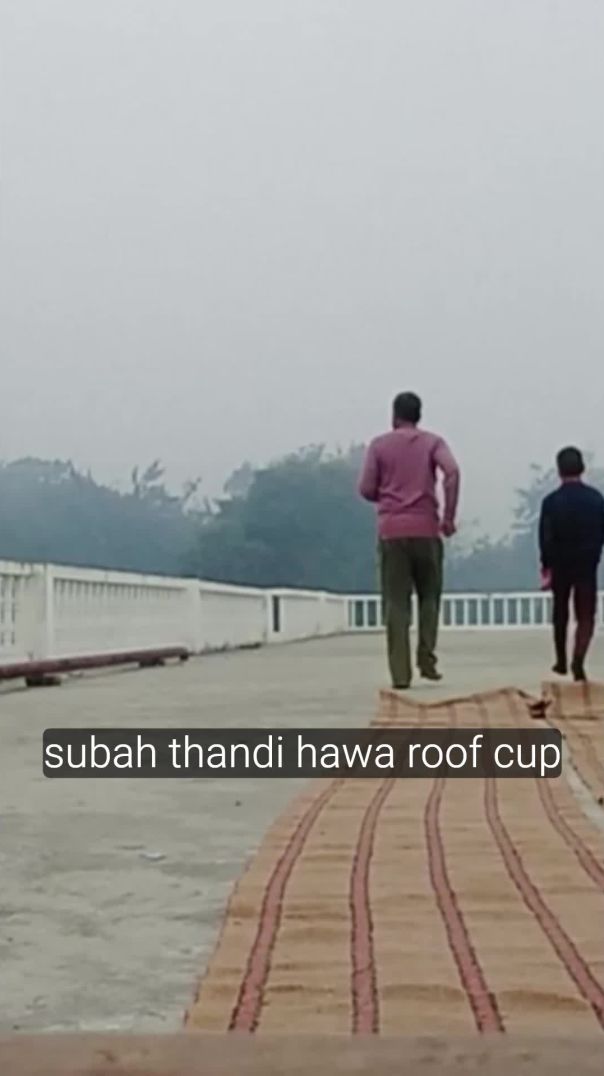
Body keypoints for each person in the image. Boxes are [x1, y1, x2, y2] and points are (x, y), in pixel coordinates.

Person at [358, 391, 460, 689]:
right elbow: (452, 472)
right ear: (419, 415)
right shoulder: (433, 443)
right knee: (429, 598)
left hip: (392, 532)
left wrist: (387, 495)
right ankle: (426, 658)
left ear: (394, 416)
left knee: (396, 604)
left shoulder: (379, 445)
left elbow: (365, 488)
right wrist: (448, 517)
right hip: (427, 530)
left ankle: (400, 674)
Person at [539, 446, 604, 682]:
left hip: (560, 563)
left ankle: (561, 660)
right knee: (586, 615)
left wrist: (546, 566)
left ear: (559, 470)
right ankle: (578, 659)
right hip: (587, 563)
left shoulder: (551, 502)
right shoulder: (596, 499)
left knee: (561, 612)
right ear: (582, 468)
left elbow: (545, 537)